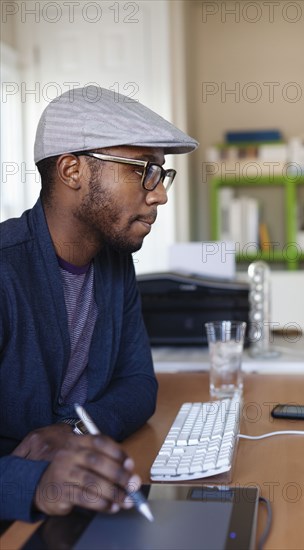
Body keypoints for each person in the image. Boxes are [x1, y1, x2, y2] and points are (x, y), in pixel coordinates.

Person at [0, 85, 198, 521]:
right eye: (144, 170)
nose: (160, 193)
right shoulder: (5, 270)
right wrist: (34, 484)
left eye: (162, 174)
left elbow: (139, 384)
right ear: (72, 170)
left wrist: (72, 430)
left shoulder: (114, 264)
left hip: (84, 496)